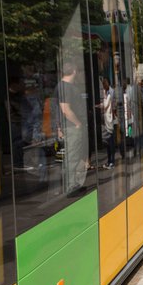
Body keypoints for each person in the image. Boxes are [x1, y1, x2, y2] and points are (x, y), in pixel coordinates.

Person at [58, 61, 88, 194]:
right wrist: (78, 124)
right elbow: (65, 110)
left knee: (73, 156)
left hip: (69, 127)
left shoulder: (64, 86)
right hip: (72, 127)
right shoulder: (66, 87)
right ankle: (71, 186)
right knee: (73, 157)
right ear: (74, 71)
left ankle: (73, 183)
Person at [97, 77, 116, 169]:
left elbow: (105, 105)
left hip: (109, 120)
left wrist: (104, 96)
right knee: (108, 142)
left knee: (110, 142)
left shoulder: (109, 94)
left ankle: (112, 161)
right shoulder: (108, 93)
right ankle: (109, 161)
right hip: (107, 121)